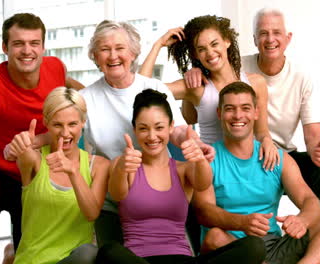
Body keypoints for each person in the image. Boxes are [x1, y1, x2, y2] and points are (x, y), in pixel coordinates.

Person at [0, 13, 83, 264]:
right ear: (5, 48)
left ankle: (11, 254)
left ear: (43, 46)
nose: (27, 50)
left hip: (35, 174)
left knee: (25, 256)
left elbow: (83, 99)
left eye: (34, 43)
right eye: (18, 43)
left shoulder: (55, 68)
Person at [184, 8, 320, 212]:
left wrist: (316, 149)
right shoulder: (236, 65)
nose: (270, 39)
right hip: (243, 154)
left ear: (288, 38)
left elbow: (313, 134)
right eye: (263, 33)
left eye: (276, 33)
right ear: (255, 39)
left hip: (282, 155)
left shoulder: (302, 78)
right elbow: (211, 66)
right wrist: (195, 70)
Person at [80, 20, 215, 248]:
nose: (113, 56)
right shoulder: (85, 98)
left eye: (120, 48)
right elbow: (65, 130)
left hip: (161, 201)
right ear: (95, 56)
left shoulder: (155, 88)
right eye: (105, 49)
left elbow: (178, 130)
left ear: (133, 53)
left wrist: (195, 143)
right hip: (114, 202)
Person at [193, 81, 320, 264]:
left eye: (245, 108)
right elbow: (204, 212)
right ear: (220, 113)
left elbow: (310, 201)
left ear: (256, 112)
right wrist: (241, 223)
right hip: (234, 250)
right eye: (230, 109)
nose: (238, 115)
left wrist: (302, 220)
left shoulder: (279, 159)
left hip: (275, 246)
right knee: (215, 237)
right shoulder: (208, 158)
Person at [96, 89, 266, 264]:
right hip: (139, 261)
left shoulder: (183, 169)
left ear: (171, 127)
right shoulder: (122, 164)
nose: (152, 136)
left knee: (254, 246)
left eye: (159, 127)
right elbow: (117, 194)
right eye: (143, 129)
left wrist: (200, 160)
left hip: (181, 260)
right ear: (135, 130)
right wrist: (122, 169)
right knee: (108, 252)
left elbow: (203, 183)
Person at [140, 15, 279, 171]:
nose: (210, 53)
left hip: (248, 165)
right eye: (202, 49)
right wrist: (158, 45)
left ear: (227, 41)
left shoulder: (256, 83)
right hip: (212, 167)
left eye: (214, 44)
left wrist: (267, 141)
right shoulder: (195, 87)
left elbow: (261, 131)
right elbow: (141, 88)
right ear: (195, 55)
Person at [6, 87, 108, 264]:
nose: (65, 133)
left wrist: (73, 172)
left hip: (74, 261)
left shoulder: (98, 166)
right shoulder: (34, 160)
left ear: (83, 122)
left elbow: (91, 213)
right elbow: (20, 151)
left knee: (88, 253)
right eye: (57, 124)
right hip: (33, 260)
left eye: (72, 124)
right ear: (46, 123)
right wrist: (20, 144)